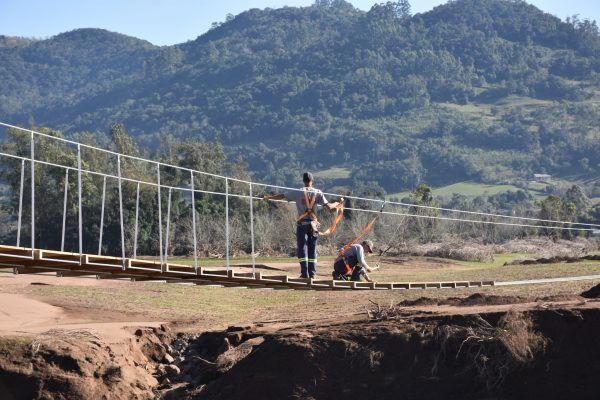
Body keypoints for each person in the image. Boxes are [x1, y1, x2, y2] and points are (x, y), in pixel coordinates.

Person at [264, 172, 343, 278]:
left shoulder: (298, 192)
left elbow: (282, 196)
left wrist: (269, 198)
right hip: (314, 225)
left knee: (302, 248)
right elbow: (329, 207)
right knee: (312, 248)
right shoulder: (318, 192)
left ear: (303, 180)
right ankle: (312, 273)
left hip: (302, 224)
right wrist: (338, 203)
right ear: (312, 181)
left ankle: (304, 273)